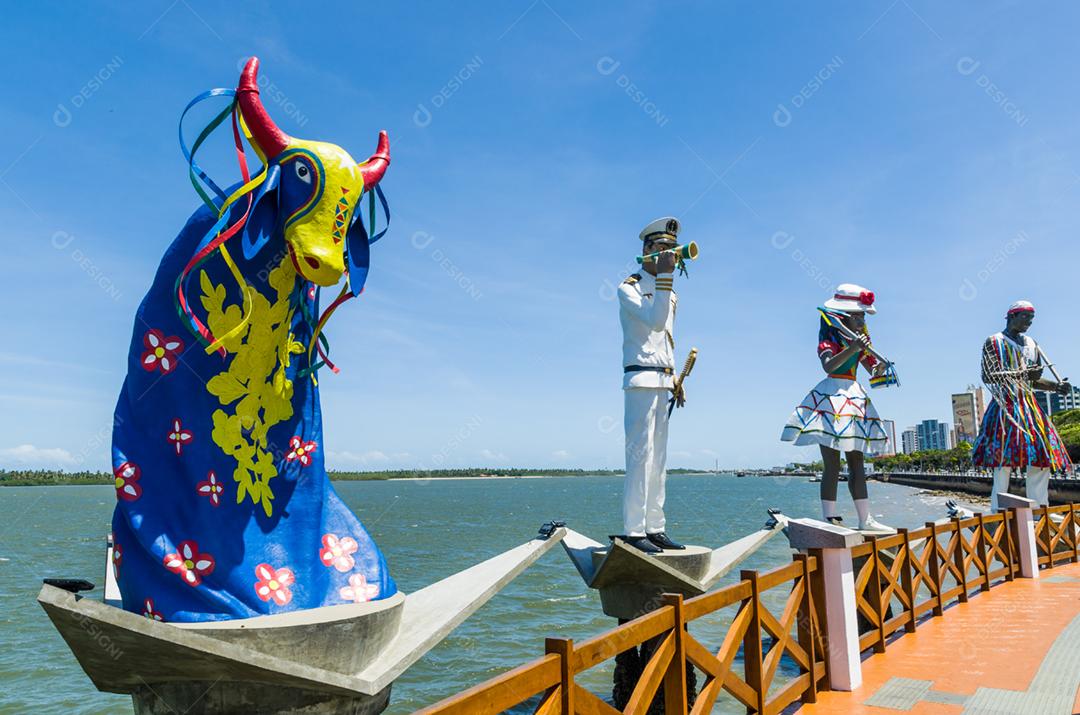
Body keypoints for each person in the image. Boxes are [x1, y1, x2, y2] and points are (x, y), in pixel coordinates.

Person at [781, 284, 895, 534]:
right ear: (845, 316)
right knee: (831, 463)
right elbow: (829, 366)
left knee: (857, 461)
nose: (863, 319)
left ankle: (865, 518)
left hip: (853, 396)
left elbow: (871, 372)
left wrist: (879, 369)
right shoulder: (829, 339)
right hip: (831, 398)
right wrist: (854, 348)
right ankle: (830, 516)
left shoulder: (860, 341)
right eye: (859, 315)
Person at [618, 217, 686, 553]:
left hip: (661, 377)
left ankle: (654, 526)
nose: (669, 256)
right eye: (662, 249)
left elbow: (666, 338)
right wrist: (666, 278)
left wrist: (674, 376)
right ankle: (633, 530)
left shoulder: (668, 292)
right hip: (641, 376)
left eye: (671, 250)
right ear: (646, 250)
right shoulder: (629, 287)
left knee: (659, 459)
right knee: (640, 456)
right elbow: (655, 322)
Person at [972, 300, 1072, 510]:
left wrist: (1055, 387)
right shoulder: (994, 341)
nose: (1029, 322)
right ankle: (998, 509)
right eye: (1025, 317)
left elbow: (1033, 380)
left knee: (1042, 453)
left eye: (1031, 319)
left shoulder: (1031, 343)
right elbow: (988, 375)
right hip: (1005, 406)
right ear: (1011, 316)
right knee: (1003, 459)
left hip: (1029, 406)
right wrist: (1023, 373)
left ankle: (1038, 507)